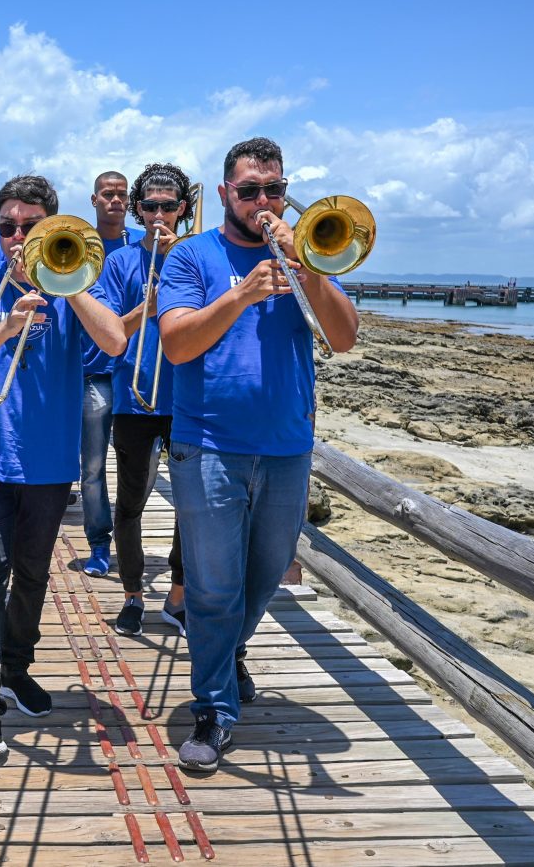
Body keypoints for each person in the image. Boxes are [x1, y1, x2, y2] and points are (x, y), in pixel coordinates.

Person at [157, 137, 358, 772]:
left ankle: (223, 655)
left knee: (266, 575)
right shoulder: (192, 255)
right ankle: (213, 710)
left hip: (286, 449)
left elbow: (345, 339)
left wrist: (311, 270)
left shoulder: (304, 259)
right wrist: (241, 295)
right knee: (215, 587)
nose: (263, 201)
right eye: (250, 191)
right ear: (225, 194)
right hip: (209, 444)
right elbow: (177, 345)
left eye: (274, 189)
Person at [0, 174, 126, 759]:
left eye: (29, 227)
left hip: (48, 465)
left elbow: (117, 341)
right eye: (7, 228)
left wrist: (66, 284)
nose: (16, 238)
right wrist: (7, 326)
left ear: (50, 228)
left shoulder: (74, 285)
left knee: (34, 576)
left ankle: (16, 667)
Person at [97, 163, 191, 637]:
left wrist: (181, 258)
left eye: (168, 206)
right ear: (138, 209)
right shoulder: (119, 262)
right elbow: (109, 335)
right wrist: (144, 309)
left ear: (182, 209)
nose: (159, 215)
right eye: (150, 206)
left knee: (190, 507)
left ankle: (177, 595)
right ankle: (133, 594)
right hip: (134, 399)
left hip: (188, 399)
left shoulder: (197, 257)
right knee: (130, 503)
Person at [78, 171, 143, 578]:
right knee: (92, 467)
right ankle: (100, 542)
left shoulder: (144, 243)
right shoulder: (80, 245)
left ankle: (129, 534)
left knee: (140, 466)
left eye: (121, 195)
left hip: (136, 370)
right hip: (94, 371)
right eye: (108, 194)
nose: (115, 200)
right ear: (94, 199)